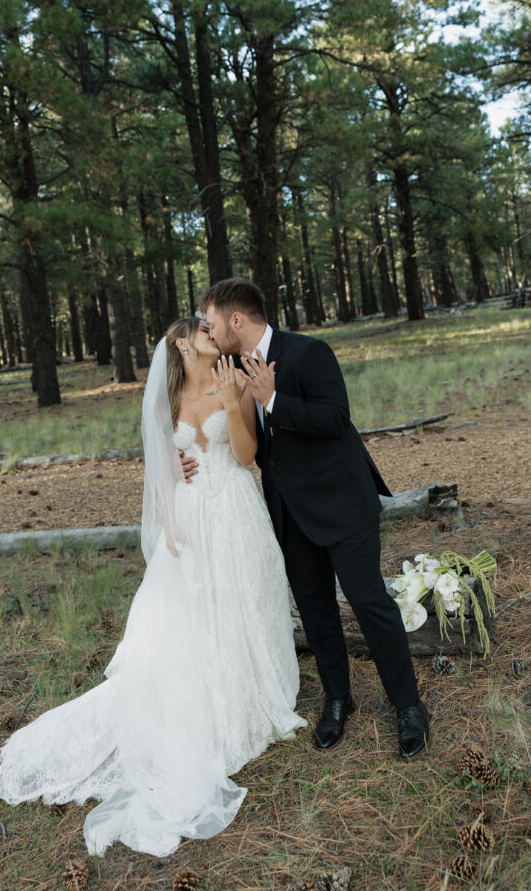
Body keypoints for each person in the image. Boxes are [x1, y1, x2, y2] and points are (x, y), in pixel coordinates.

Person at [0, 317, 306, 857]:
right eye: (204, 329)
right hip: (189, 519)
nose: (214, 332)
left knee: (245, 600)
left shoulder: (232, 379)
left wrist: (235, 405)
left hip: (234, 507)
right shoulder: (167, 400)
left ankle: (253, 683)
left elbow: (249, 456)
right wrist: (170, 523)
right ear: (182, 344)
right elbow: (162, 466)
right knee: (185, 621)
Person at [188, 278, 429, 757]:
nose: (208, 331)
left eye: (211, 321)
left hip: (342, 502)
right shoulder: (231, 368)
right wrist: (188, 455)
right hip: (287, 507)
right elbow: (242, 446)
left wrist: (274, 400)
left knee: (369, 602)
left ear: (237, 319)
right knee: (316, 609)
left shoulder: (309, 352)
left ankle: (408, 706)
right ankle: (338, 699)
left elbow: (336, 419)